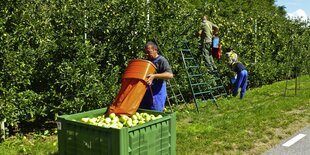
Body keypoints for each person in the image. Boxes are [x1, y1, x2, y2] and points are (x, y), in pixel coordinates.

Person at [139, 41, 174, 112]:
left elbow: (170, 75)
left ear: (155, 50)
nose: (147, 54)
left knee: (156, 113)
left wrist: (154, 76)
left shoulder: (161, 60)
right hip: (146, 93)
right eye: (146, 52)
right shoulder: (147, 61)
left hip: (157, 94)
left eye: (149, 52)